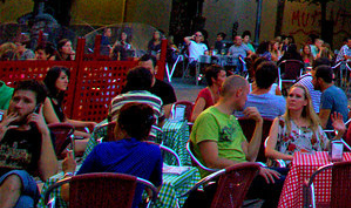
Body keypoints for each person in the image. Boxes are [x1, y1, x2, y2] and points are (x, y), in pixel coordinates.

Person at [185, 75, 283, 208]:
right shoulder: (209, 118)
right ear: (239, 93)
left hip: (241, 174)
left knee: (291, 175)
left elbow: (250, 155)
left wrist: (259, 123)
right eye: (246, 95)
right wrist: (252, 169)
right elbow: (212, 160)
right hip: (224, 179)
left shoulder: (231, 119)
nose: (247, 99)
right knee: (284, 184)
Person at [77, 103, 163, 205]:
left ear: (121, 127)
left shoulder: (101, 149)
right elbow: (154, 190)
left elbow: (71, 192)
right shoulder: (154, 152)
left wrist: (68, 172)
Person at [0, 81, 57, 208]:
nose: (18, 105)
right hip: (6, 188)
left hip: (25, 182)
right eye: (16, 99)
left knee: (17, 175)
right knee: (24, 203)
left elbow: (49, 176)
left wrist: (45, 133)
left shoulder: (40, 134)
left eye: (26, 101)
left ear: (38, 107)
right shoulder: (1, 127)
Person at [265, 85, 330, 165]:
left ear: (305, 102)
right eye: (290, 96)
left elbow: (328, 147)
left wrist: (339, 133)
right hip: (288, 168)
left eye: (298, 97)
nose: (293, 99)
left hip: (311, 167)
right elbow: (269, 151)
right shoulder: (280, 122)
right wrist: (295, 158)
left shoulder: (313, 124)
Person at [40, 67, 95, 154]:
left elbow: (66, 121)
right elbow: (60, 129)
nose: (66, 81)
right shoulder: (46, 100)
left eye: (67, 78)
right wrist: (85, 135)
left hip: (63, 139)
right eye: (62, 78)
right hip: (53, 143)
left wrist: (88, 124)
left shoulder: (57, 99)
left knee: (93, 140)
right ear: (53, 79)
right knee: (93, 143)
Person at [313, 65, 348, 133]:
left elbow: (322, 124)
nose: (312, 81)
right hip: (341, 131)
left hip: (331, 134)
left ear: (320, 80)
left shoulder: (327, 94)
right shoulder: (339, 90)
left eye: (313, 78)